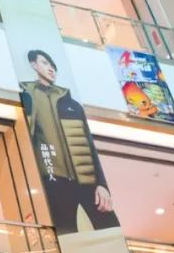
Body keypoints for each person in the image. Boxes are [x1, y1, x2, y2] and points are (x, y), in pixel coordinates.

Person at [20, 49, 119, 234]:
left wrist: (102, 184)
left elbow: (90, 147)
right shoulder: (27, 97)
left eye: (53, 65)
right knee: (65, 234)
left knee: (110, 230)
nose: (51, 68)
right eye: (45, 63)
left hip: (87, 181)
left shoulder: (72, 104)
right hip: (55, 181)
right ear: (33, 65)